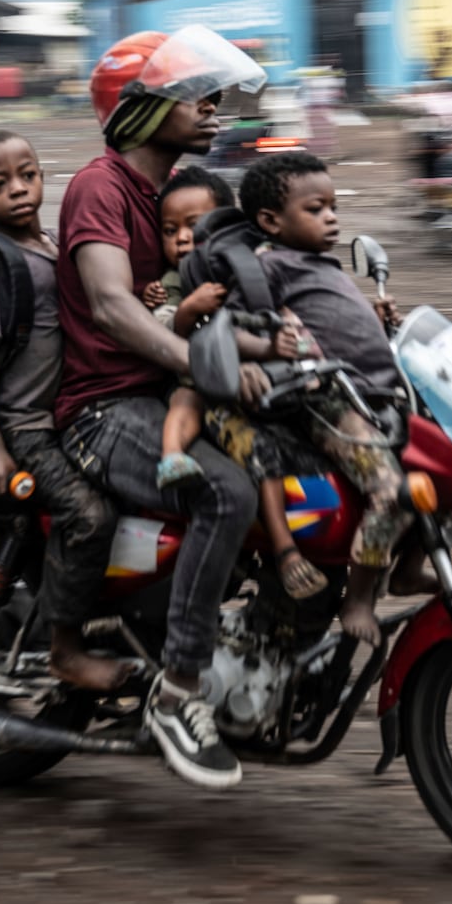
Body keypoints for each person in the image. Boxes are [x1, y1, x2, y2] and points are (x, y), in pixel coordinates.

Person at [55, 27, 270, 790]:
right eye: (194, 94)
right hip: (101, 409)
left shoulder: (179, 196)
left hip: (155, 395)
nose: (212, 108)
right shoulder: (100, 187)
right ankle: (179, 691)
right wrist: (205, 367)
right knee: (227, 490)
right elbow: (114, 309)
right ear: (140, 107)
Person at [0, 129, 131, 693]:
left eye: (26, 175)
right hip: (25, 426)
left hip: (67, 414)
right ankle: (65, 650)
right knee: (90, 517)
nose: (18, 190)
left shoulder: (54, 246)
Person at [235, 152, 411, 644]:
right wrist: (256, 352)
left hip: (377, 393)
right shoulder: (267, 269)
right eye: (316, 209)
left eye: (333, 206)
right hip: (330, 404)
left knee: (442, 472)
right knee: (392, 493)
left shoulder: (320, 264)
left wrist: (378, 322)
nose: (331, 217)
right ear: (271, 221)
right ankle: (358, 597)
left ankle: (409, 566)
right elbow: (239, 326)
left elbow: (331, 326)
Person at [142, 165, 329, 601]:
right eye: (170, 231)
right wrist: (189, 307)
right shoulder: (172, 283)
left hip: (264, 388)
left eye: (194, 226)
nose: (182, 239)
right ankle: (284, 551)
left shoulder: (254, 268)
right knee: (252, 448)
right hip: (205, 388)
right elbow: (166, 332)